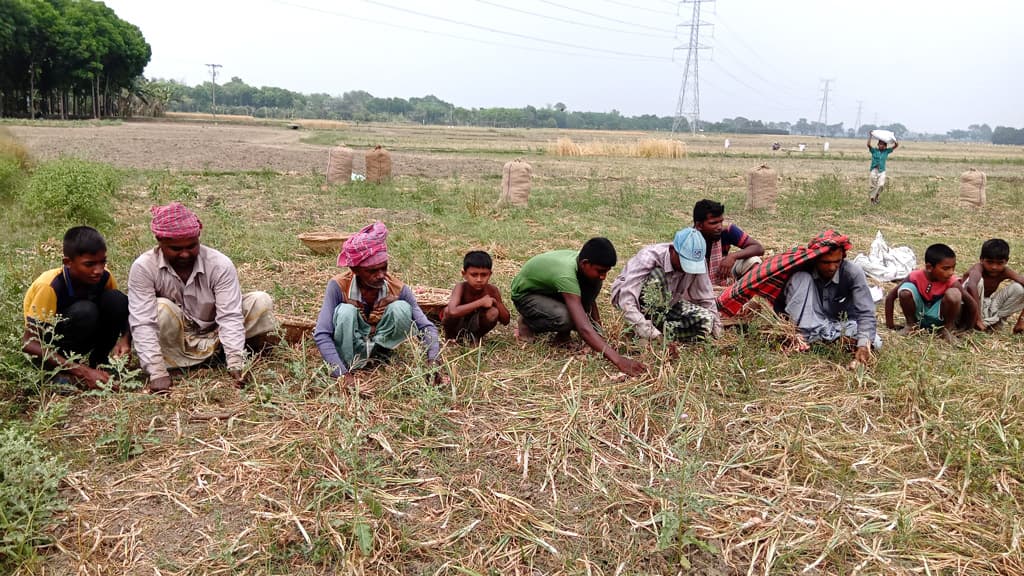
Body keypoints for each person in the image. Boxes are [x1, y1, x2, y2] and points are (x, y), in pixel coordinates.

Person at [128, 202, 278, 393]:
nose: (184, 254)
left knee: (260, 301)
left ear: (198, 238)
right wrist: (157, 373)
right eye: (175, 248)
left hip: (215, 330)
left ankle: (226, 353)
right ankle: (181, 362)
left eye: (191, 246)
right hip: (178, 336)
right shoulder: (143, 267)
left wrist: (235, 363)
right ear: (159, 242)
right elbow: (143, 322)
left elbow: (230, 315)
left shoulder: (219, 264)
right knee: (160, 309)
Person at [718, 230, 878, 367]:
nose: (831, 267)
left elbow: (866, 313)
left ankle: (823, 341)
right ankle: (808, 339)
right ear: (815, 259)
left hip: (841, 325)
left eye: (836, 262)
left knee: (873, 340)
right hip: (806, 328)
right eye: (826, 262)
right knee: (801, 279)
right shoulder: (800, 270)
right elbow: (781, 304)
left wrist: (864, 345)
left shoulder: (853, 273)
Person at [313, 221, 444, 387]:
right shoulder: (338, 286)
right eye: (372, 271)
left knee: (402, 308)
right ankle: (350, 362)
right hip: (350, 353)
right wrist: (340, 373)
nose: (381, 275)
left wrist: (433, 360)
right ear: (355, 270)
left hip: (383, 349)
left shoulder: (398, 288)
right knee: (345, 312)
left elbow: (427, 327)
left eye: (384, 268)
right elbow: (322, 333)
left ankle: (381, 355)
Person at [511, 237, 646, 377]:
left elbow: (589, 303)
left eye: (607, 271)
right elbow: (582, 326)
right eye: (600, 271)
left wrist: (600, 335)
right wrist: (618, 360)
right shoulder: (566, 275)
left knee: (591, 288)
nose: (604, 277)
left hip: (550, 291)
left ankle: (562, 336)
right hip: (526, 295)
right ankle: (527, 323)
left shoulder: (587, 269)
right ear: (584, 264)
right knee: (567, 318)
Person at [22, 226, 130, 389]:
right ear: (68, 262)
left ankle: (100, 362)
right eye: (89, 264)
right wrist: (82, 371)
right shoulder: (50, 286)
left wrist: (125, 338)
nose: (98, 270)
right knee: (85, 311)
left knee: (117, 299)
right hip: (53, 346)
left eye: (103, 262)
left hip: (84, 334)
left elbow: (119, 310)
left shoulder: (104, 277)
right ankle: (58, 373)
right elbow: (29, 343)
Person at [610, 227, 722, 342]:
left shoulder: (698, 261)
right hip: (638, 307)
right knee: (657, 275)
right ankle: (642, 330)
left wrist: (717, 331)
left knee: (706, 320)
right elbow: (626, 301)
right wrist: (650, 333)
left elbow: (706, 298)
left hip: (669, 305)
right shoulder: (648, 257)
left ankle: (663, 333)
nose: (687, 269)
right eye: (685, 262)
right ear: (672, 249)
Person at [885, 243, 975, 343]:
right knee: (904, 292)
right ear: (929, 267)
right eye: (946, 268)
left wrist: (967, 329)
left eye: (953, 267)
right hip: (920, 316)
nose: (951, 272)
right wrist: (890, 324)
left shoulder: (952, 282)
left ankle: (946, 330)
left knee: (954, 294)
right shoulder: (915, 276)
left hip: (938, 319)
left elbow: (971, 303)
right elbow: (891, 296)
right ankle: (911, 326)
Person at [692, 199, 764, 287]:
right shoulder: (689, 240)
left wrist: (732, 256)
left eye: (721, 221)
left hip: (724, 274)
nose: (719, 227)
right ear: (699, 225)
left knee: (753, 261)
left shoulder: (727, 231)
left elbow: (758, 248)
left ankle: (747, 292)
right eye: (713, 223)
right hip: (697, 282)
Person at [442, 250, 510, 342]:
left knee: (493, 312)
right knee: (447, 310)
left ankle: (475, 338)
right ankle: (450, 338)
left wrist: (495, 301)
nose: (479, 279)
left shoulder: (492, 290)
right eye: (474, 275)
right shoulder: (461, 287)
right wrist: (481, 302)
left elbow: (506, 320)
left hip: (477, 324)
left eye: (484, 275)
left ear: (490, 274)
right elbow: (452, 311)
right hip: (458, 323)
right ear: (464, 274)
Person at [962, 239, 1024, 334]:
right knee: (978, 281)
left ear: (1006, 261)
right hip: (967, 307)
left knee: (1019, 289)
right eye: (990, 262)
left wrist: (1021, 320)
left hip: (987, 305)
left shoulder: (1005, 271)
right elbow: (971, 286)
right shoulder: (978, 268)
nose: (994, 267)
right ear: (981, 259)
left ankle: (993, 323)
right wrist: (977, 318)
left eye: (999, 263)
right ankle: (974, 323)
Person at [867, 135, 899, 204]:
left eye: (883, 145)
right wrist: (870, 136)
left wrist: (894, 139)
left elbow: (896, 145)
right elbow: (868, 145)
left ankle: (877, 196)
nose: (881, 146)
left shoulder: (886, 151)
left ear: (885, 146)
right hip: (874, 170)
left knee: (881, 185)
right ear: (878, 145)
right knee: (873, 185)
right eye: (880, 144)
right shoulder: (874, 151)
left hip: (882, 171)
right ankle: (872, 199)